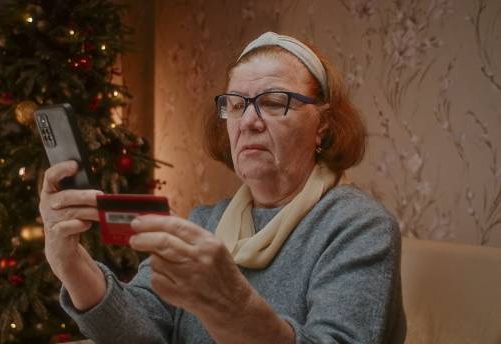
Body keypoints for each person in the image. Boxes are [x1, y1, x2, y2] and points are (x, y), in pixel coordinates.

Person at [39, 32, 406, 343]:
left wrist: (233, 305)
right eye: (235, 104)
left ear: (323, 126)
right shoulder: (206, 221)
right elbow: (144, 328)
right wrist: (71, 265)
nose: (248, 121)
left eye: (274, 102)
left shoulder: (360, 226)